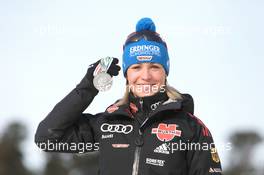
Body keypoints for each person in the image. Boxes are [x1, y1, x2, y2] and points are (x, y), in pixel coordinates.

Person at [35, 18, 222, 175]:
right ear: (127, 74)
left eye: (155, 67)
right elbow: (47, 138)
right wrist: (88, 87)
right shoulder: (107, 123)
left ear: (165, 72)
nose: (146, 76)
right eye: (136, 67)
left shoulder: (192, 128)